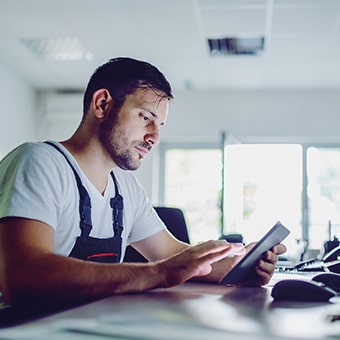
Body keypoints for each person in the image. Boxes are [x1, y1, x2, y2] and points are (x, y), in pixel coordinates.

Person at [0, 57, 286, 308]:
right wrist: (156, 274)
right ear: (102, 104)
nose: (154, 137)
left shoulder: (125, 187)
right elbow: (23, 277)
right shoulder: (39, 162)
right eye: (146, 117)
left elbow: (173, 254)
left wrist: (241, 265)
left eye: (159, 125)